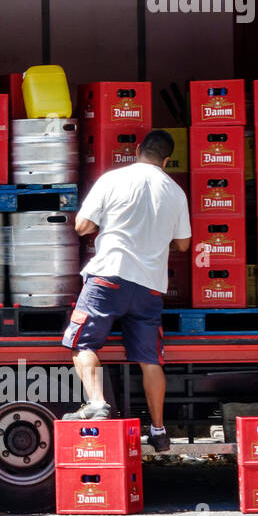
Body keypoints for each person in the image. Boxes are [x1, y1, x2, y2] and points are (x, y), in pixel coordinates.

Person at [63, 129, 192, 453]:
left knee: (83, 343)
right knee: (150, 360)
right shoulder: (176, 193)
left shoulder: (112, 180)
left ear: (138, 150)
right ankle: (159, 431)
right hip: (149, 288)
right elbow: (184, 244)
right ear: (166, 160)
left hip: (109, 278)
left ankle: (96, 403)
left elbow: (82, 226)